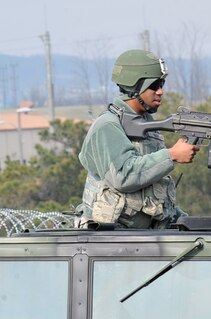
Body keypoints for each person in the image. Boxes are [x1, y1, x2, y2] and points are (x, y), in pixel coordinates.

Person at [76, 49, 199, 229]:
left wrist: (184, 221)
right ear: (134, 87)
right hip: (108, 236)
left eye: (162, 84)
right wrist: (171, 155)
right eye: (154, 85)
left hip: (141, 236)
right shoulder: (108, 125)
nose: (160, 92)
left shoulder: (145, 125)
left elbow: (153, 187)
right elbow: (123, 176)